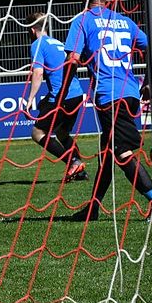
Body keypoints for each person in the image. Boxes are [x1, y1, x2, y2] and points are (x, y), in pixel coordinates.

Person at [63, 0, 152, 221]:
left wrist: (63, 91)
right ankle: (93, 209)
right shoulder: (125, 21)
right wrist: (148, 81)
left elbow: (73, 60)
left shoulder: (82, 20)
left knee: (122, 153)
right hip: (130, 93)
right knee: (107, 155)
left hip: (109, 97)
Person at [25, 12, 89, 182]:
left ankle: (74, 162)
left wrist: (30, 99)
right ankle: (80, 171)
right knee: (62, 132)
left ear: (32, 30)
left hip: (62, 97)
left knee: (38, 133)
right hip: (76, 94)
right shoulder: (58, 43)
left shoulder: (37, 44)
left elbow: (38, 73)